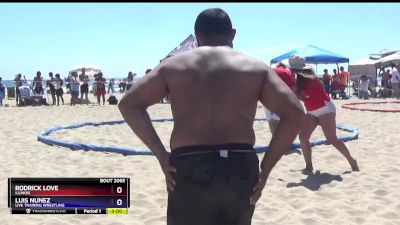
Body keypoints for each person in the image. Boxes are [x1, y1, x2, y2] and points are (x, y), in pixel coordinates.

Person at [118, 8, 304, 225]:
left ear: (197, 37)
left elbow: (129, 104)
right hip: (239, 162)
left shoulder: (173, 66)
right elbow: (295, 114)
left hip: (189, 162)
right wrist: (266, 166)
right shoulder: (255, 69)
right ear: (232, 34)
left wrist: (161, 154)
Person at [289, 55, 359, 173]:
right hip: (312, 110)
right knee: (303, 137)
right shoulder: (301, 79)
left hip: (325, 109)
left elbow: (304, 95)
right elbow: (303, 97)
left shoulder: (310, 79)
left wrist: (293, 91)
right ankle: (309, 166)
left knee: (332, 139)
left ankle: (352, 160)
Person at [264, 62, 296, 135]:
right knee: (282, 121)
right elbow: (293, 89)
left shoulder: (270, 70)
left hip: (266, 97)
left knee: (271, 121)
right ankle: (282, 142)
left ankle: (275, 139)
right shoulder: (287, 72)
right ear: (285, 66)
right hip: (281, 98)